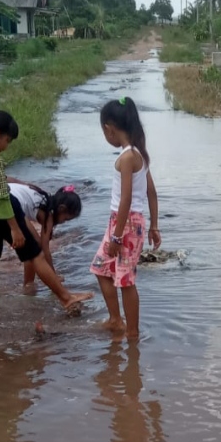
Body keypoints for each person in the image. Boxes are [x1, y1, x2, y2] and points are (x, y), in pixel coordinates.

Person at [0, 110, 92, 322]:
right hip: (4, 211)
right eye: (7, 141)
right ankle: (66, 298)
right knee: (34, 255)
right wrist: (15, 229)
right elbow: (2, 198)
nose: (6, 146)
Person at [90, 97, 162, 339]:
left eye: (104, 131)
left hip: (126, 224)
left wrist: (117, 236)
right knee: (101, 268)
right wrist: (154, 226)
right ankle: (115, 320)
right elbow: (151, 192)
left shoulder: (128, 157)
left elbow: (127, 199)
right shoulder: (138, 153)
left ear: (109, 129)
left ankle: (132, 333)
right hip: (126, 222)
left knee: (126, 280)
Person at [6, 180, 83, 295]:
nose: (64, 222)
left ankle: (30, 282)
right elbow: (45, 249)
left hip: (6, 197)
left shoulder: (44, 199)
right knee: (33, 249)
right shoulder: (48, 215)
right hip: (10, 204)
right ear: (61, 208)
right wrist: (54, 276)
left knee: (34, 246)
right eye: (66, 219)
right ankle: (28, 284)